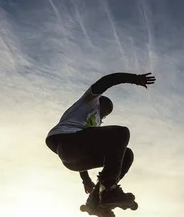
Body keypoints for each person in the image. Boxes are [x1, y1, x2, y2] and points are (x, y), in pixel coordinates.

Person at [46, 72, 156, 208]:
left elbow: (81, 150)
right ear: (100, 102)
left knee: (127, 155)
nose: (105, 114)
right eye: (105, 109)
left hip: (73, 160)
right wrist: (134, 79)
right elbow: (107, 81)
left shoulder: (96, 123)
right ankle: (109, 189)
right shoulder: (89, 101)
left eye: (107, 113)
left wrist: (85, 180)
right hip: (66, 142)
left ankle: (96, 200)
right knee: (121, 133)